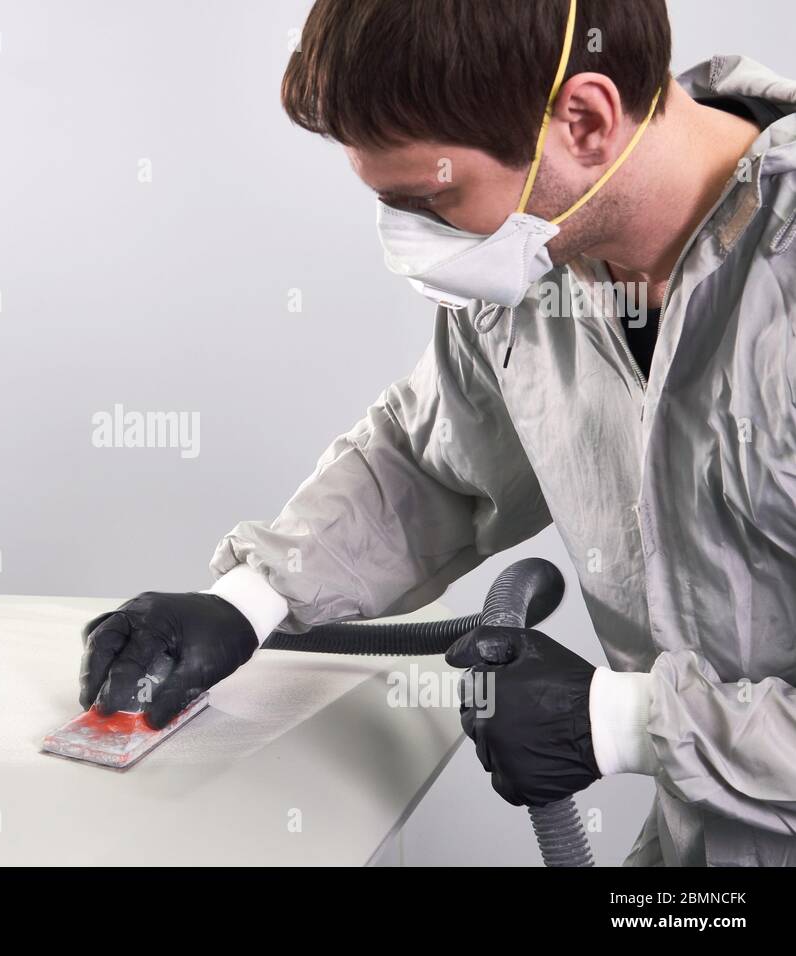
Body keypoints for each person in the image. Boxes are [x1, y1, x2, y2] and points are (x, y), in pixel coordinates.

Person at [79, 0, 796, 866]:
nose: (412, 238)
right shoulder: (546, 262)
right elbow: (434, 462)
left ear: (585, 121)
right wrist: (249, 602)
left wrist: (631, 722)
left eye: (430, 197)